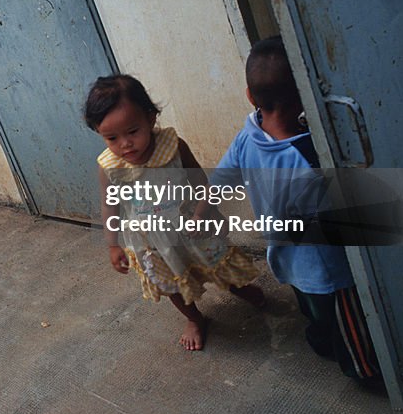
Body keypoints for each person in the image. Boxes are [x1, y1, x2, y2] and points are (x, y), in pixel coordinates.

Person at [213, 36, 381, 385]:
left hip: (285, 257)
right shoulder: (308, 158)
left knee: (312, 308)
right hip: (328, 268)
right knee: (346, 318)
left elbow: (222, 179)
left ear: (249, 94)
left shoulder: (249, 133)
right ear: (305, 95)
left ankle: (321, 340)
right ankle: (363, 370)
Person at [85, 74, 265, 351]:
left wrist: (212, 214)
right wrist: (112, 245)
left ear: (150, 118)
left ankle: (240, 288)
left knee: (218, 264)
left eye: (133, 131)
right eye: (111, 137)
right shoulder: (109, 166)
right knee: (172, 286)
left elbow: (199, 182)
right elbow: (109, 204)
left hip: (194, 228)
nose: (125, 144)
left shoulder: (173, 147)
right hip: (152, 244)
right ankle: (194, 318)